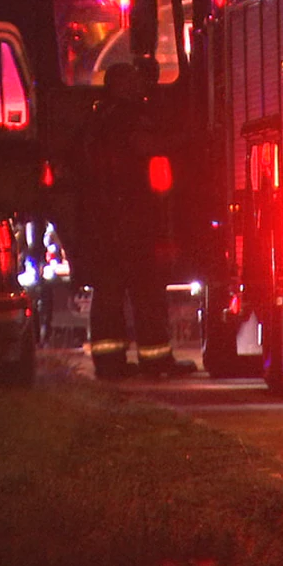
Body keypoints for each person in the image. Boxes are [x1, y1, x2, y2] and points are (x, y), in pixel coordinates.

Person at [74, 61, 192, 379]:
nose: (140, 85)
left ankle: (109, 362)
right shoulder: (126, 117)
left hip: (102, 221)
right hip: (130, 218)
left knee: (108, 291)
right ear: (121, 85)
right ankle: (157, 361)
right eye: (134, 80)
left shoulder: (97, 118)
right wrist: (185, 139)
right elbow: (146, 145)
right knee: (147, 289)